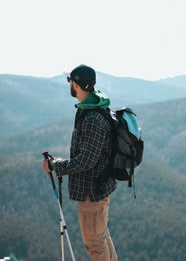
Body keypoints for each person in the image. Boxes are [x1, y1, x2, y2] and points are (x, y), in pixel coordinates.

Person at [43, 64, 117, 261]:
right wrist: (60, 162)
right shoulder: (94, 107)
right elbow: (88, 155)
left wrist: (56, 166)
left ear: (76, 84)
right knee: (101, 239)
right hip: (98, 189)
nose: (69, 84)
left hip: (91, 193)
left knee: (95, 244)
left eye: (70, 81)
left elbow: (86, 161)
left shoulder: (92, 117)